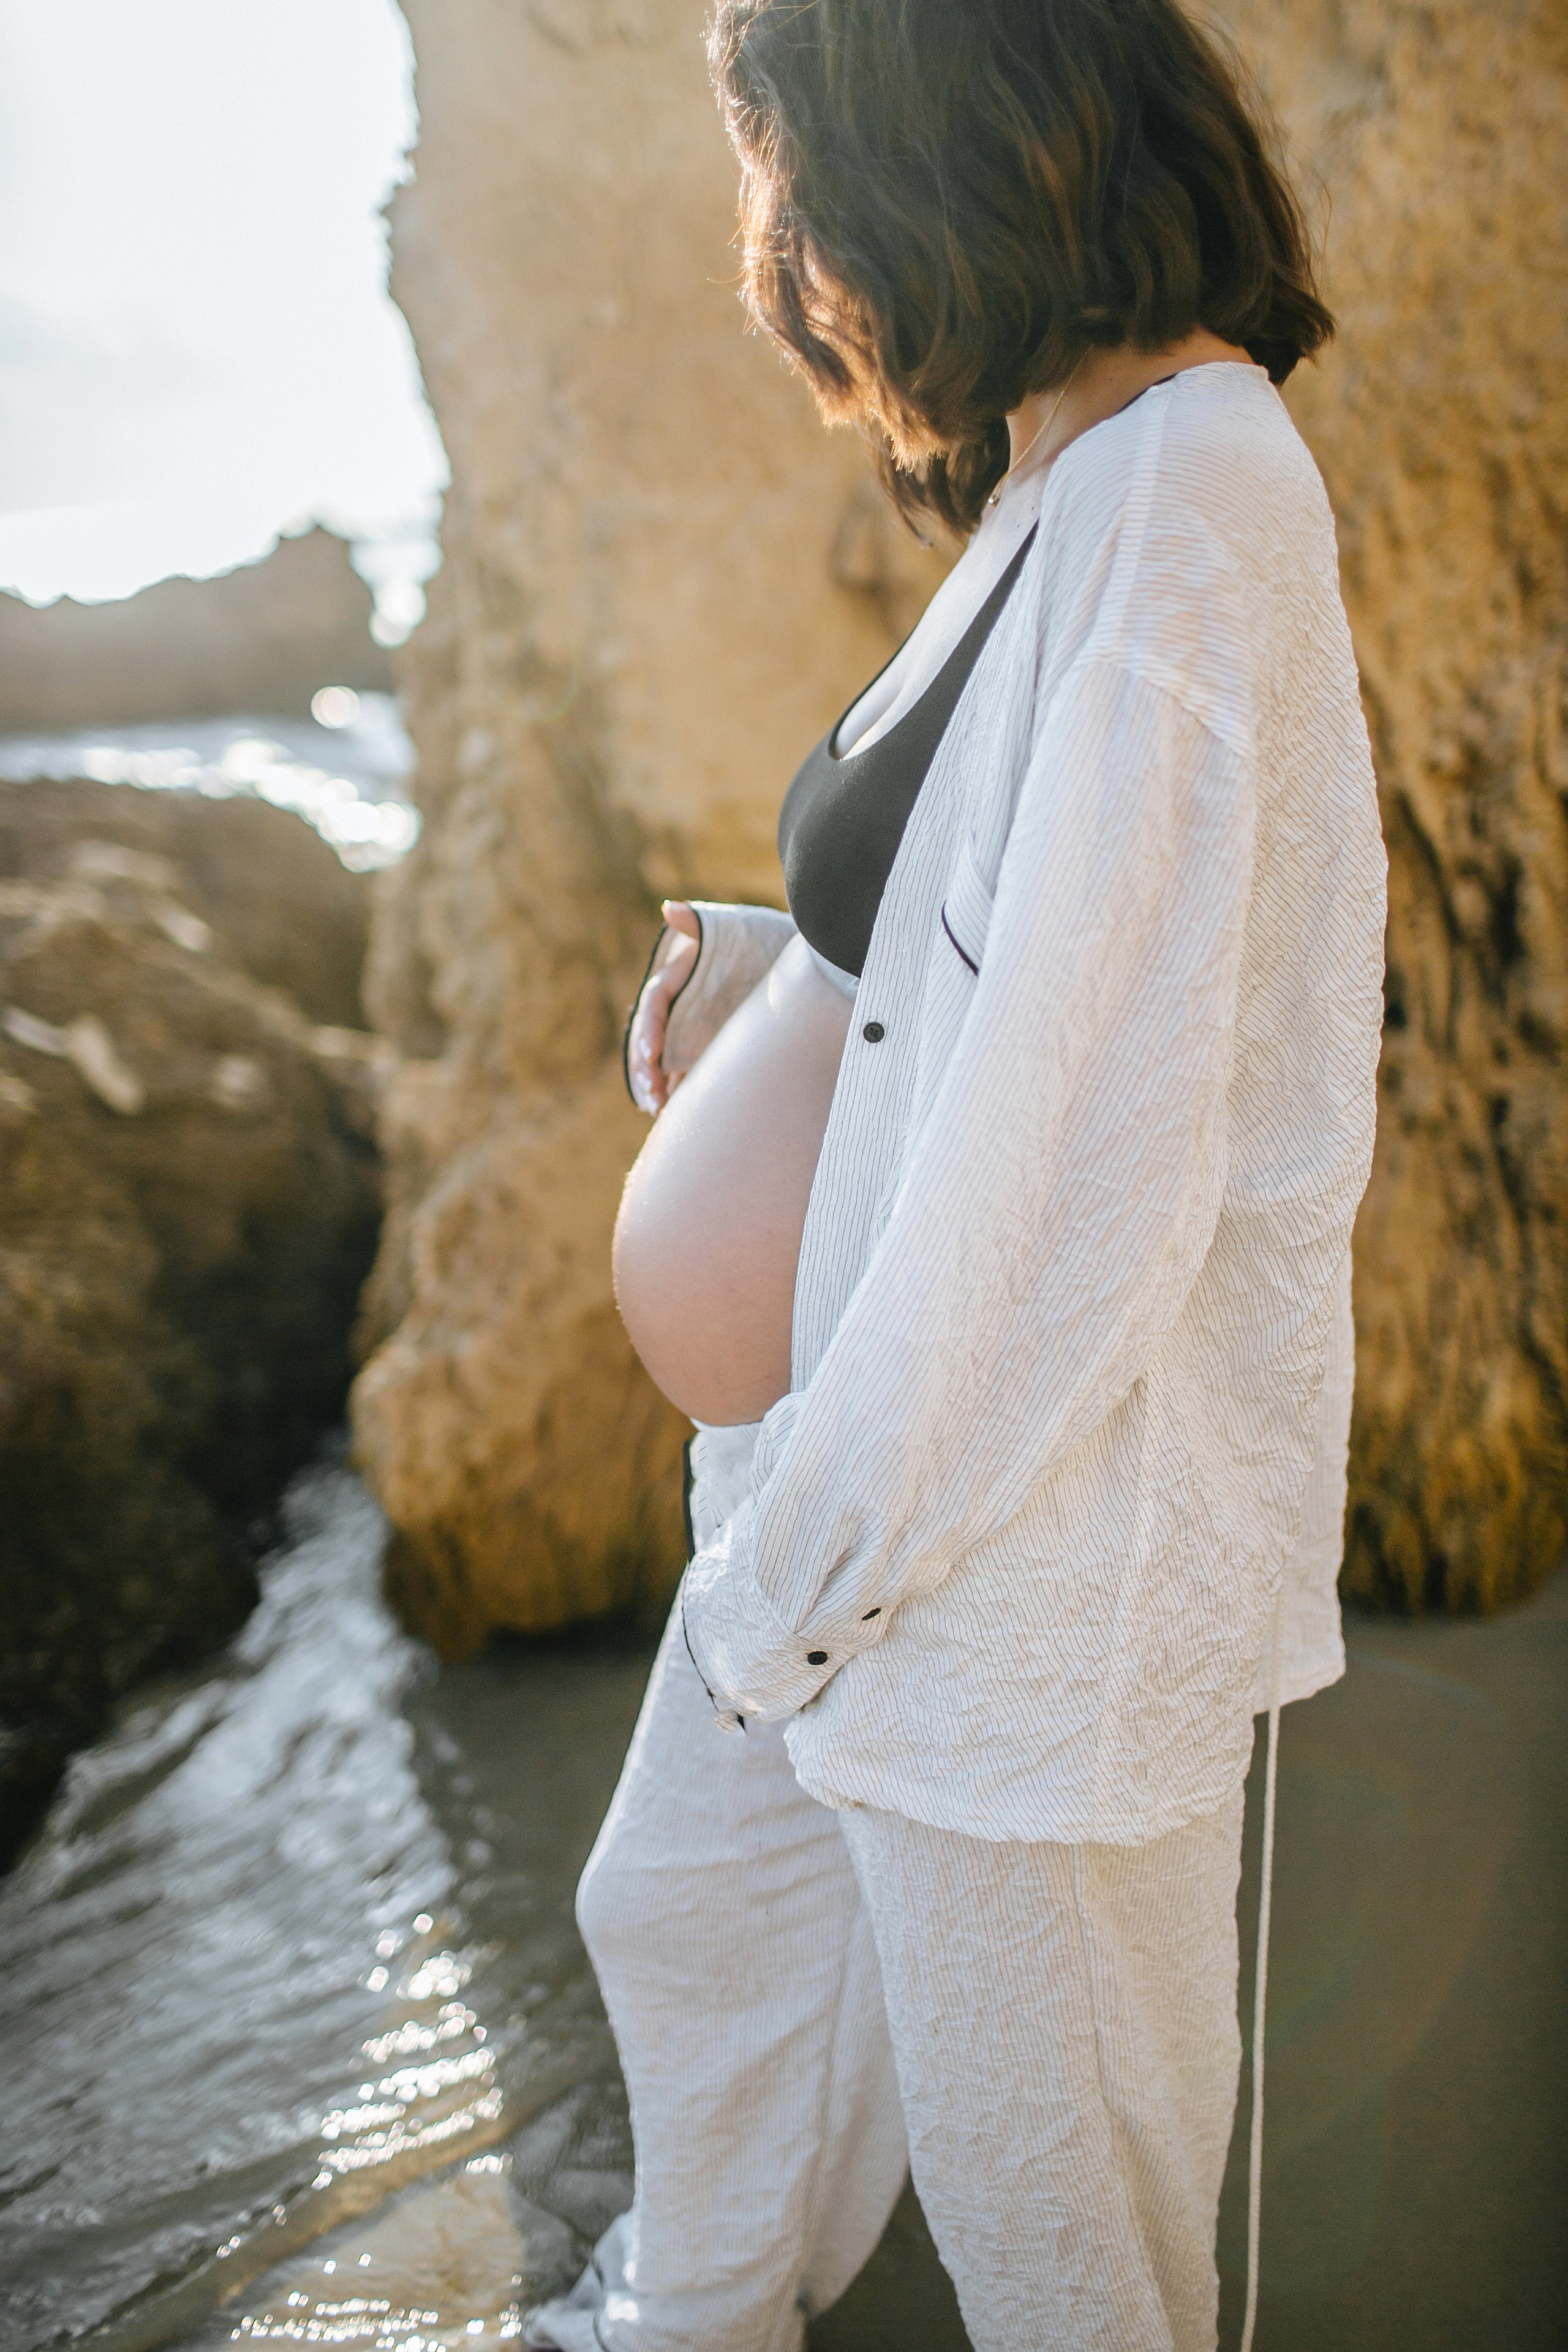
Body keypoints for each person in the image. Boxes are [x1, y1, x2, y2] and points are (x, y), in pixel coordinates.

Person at [524, 1, 1385, 2346]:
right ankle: (686, 2324)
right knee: (696, 1941)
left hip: (991, 1561)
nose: (793, 270)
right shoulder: (1066, 486)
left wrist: (814, 1572)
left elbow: (1085, 1145)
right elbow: (980, 932)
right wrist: (771, 952)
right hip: (845, 1497)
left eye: (805, 198)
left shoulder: (1193, 513)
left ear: (967, 164)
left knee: (1055, 2216)